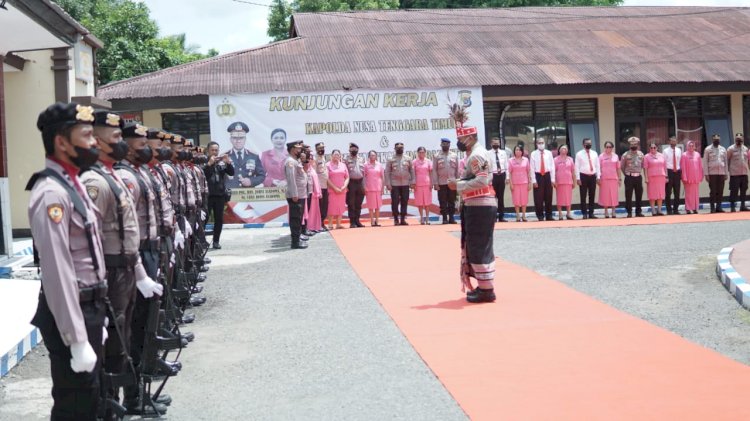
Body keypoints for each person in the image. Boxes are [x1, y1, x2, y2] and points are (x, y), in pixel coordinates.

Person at [27, 103, 108, 420]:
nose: (94, 143)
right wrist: (76, 339)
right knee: (75, 406)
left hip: (89, 308)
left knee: (91, 400)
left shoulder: (73, 184)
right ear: (62, 142)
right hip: (71, 313)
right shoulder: (51, 193)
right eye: (87, 135)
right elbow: (57, 272)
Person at [447, 104, 496, 303]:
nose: (459, 142)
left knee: (478, 245)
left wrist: (457, 185)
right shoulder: (475, 154)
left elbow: (482, 180)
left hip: (480, 205)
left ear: (469, 138)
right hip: (476, 204)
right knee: (476, 244)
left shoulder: (477, 155)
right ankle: (484, 286)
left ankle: (486, 289)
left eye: (460, 139)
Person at [204, 141, 235, 249]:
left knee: (219, 219)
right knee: (205, 218)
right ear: (208, 151)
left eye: (216, 150)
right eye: (212, 150)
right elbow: (204, 175)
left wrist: (228, 163)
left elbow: (231, 173)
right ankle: (202, 241)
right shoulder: (204, 161)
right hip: (208, 195)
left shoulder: (221, 162)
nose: (214, 152)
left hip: (220, 195)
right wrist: (209, 164)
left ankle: (216, 241)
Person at [224, 121, 265, 188]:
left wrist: (251, 181)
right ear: (230, 139)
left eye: (241, 138)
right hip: (231, 194)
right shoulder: (224, 156)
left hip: (248, 194)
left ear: (245, 139)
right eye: (235, 138)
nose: (238, 141)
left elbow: (261, 175)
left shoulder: (254, 156)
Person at [284, 141, 307, 249]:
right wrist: (294, 194)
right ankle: (295, 242)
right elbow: (291, 179)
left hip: (300, 194)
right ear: (292, 149)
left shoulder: (294, 160)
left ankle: (297, 239)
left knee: (298, 218)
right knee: (295, 219)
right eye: (298, 148)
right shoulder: (290, 162)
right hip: (295, 195)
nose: (300, 150)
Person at [385, 142, 414, 225]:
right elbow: (387, 172)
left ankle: (403, 219)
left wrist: (413, 181)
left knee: (405, 201)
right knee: (395, 202)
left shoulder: (408, 158)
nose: (400, 149)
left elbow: (411, 170)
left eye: (401, 147)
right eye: (398, 147)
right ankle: (396, 219)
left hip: (405, 183)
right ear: (395, 149)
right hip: (394, 184)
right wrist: (388, 183)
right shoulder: (391, 159)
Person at [432, 138, 459, 224]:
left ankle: (451, 218)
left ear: (449, 145)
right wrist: (435, 183)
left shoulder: (454, 155)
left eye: (447, 144)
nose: (445, 146)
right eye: (443, 144)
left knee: (452, 200)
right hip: (441, 182)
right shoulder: (437, 156)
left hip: (452, 182)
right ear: (441, 145)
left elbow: (457, 170)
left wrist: (458, 182)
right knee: (442, 201)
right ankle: (444, 218)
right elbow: (434, 170)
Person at [530, 137, 555, 221]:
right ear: (537, 144)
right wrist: (533, 180)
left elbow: (552, 167)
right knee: (538, 198)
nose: (541, 144)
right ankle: (540, 215)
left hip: (547, 175)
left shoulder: (549, 153)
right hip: (538, 176)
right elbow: (532, 168)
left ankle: (549, 215)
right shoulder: (533, 154)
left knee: (548, 196)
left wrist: (553, 179)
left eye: (542, 142)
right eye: (539, 143)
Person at [575, 137, 599, 219]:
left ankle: (591, 213)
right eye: (587, 144)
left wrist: (598, 176)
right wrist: (578, 178)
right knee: (583, 195)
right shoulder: (579, 154)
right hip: (583, 176)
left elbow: (597, 166)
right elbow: (577, 167)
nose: (589, 145)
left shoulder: (595, 153)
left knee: (592, 195)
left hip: (592, 176)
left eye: (590, 143)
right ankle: (584, 213)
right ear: (583, 145)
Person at [703, 134, 728, 213]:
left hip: (721, 173)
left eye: (718, 139)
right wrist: (706, 174)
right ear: (712, 140)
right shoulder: (708, 149)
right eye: (715, 139)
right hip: (712, 174)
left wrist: (726, 173)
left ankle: (719, 207)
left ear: (720, 139)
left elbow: (726, 162)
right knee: (713, 191)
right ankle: (712, 208)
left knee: (720, 191)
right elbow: (705, 162)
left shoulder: (723, 149)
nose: (716, 140)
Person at [621, 136, 645, 217]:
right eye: (632, 144)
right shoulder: (625, 155)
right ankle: (629, 212)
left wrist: (637, 172)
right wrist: (627, 174)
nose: (634, 146)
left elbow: (642, 165)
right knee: (628, 195)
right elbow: (622, 167)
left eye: (635, 144)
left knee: (639, 195)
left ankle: (638, 212)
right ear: (629, 145)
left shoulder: (641, 154)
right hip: (629, 177)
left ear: (637, 144)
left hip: (638, 177)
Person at [344, 142, 366, 228]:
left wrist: (364, 185)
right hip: (351, 183)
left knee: (358, 203)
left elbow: (364, 173)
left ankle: (357, 220)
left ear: (358, 150)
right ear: (349, 150)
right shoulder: (346, 160)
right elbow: (344, 174)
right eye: (352, 149)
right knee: (351, 203)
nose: (354, 150)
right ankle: (352, 222)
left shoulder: (361, 159)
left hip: (360, 182)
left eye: (355, 149)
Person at [597, 141, 621, 218]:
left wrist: (619, 178)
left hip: (613, 179)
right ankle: (606, 211)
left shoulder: (616, 156)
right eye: (607, 147)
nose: (608, 148)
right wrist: (598, 178)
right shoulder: (601, 156)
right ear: (605, 148)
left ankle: (613, 211)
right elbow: (598, 168)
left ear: (612, 148)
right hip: (604, 178)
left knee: (613, 195)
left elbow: (618, 168)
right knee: (605, 195)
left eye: (610, 147)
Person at [508, 145, 532, 222]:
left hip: (524, 182)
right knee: (516, 200)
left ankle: (524, 216)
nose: (517, 151)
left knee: (524, 200)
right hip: (515, 183)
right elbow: (509, 173)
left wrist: (529, 182)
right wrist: (510, 183)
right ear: (514, 151)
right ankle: (518, 216)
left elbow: (528, 172)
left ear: (522, 151)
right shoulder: (511, 160)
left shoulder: (526, 160)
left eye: (519, 150)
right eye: (516, 150)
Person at [326, 149, 349, 229]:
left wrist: (344, 186)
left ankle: (338, 224)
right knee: (331, 207)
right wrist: (335, 188)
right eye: (335, 154)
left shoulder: (343, 165)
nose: (336, 156)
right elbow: (327, 178)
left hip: (342, 190)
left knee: (340, 206)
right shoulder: (328, 165)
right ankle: (330, 224)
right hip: (332, 190)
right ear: (331, 156)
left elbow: (347, 177)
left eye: (338, 155)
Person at [727, 133, 748, 212]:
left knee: (744, 190)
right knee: (734, 191)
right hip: (734, 174)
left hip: (744, 173)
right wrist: (728, 171)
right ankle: (732, 207)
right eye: (737, 139)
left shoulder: (745, 149)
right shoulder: (730, 149)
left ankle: (742, 206)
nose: (739, 140)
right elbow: (727, 160)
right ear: (735, 139)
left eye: (740, 139)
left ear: (742, 139)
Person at [643, 142, 667, 216]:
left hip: (661, 177)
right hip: (651, 178)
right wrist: (646, 178)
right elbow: (645, 168)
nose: (653, 149)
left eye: (654, 147)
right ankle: (653, 210)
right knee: (652, 194)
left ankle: (659, 210)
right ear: (649, 148)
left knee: (660, 194)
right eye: (651, 148)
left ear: (657, 148)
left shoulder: (662, 156)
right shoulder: (646, 156)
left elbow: (665, 167)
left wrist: (666, 176)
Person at [680, 140, 704, 214]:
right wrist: (684, 177)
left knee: (695, 194)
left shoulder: (697, 154)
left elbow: (700, 166)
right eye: (689, 146)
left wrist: (701, 176)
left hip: (696, 177)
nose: (691, 147)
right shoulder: (684, 155)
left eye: (692, 146)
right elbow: (683, 167)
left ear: (694, 146)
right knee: (689, 194)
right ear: (687, 146)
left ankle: (695, 208)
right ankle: (688, 208)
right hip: (688, 178)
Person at [489, 137, 509, 222]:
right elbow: (487, 166)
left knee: (501, 197)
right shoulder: (488, 153)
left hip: (501, 175)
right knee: (492, 198)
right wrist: (489, 179)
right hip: (493, 176)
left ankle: (501, 216)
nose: (496, 145)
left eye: (497, 143)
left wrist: (507, 177)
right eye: (494, 143)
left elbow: (506, 165)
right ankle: (493, 216)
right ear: (491, 144)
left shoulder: (503, 153)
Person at [412, 146, 433, 224]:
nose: (421, 154)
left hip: (427, 183)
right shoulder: (414, 162)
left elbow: (431, 173)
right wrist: (413, 183)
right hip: (418, 184)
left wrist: (432, 183)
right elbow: (413, 174)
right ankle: (421, 218)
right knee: (420, 202)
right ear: (417, 153)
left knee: (427, 203)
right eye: (420, 152)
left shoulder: (428, 161)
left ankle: (427, 219)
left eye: (423, 152)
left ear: (425, 153)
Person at [554, 145, 576, 220]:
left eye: (565, 148)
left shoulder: (570, 159)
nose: (564, 150)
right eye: (562, 148)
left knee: (568, 198)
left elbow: (573, 171)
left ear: (567, 151)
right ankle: (560, 214)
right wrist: (554, 181)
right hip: (559, 182)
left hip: (568, 181)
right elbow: (554, 171)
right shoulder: (555, 159)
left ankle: (568, 213)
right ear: (559, 150)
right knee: (559, 198)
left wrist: (574, 181)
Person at [364, 150, 384, 226]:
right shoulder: (366, 165)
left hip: (378, 188)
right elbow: (363, 177)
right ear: (369, 156)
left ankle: (377, 221)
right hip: (369, 188)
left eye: (374, 155)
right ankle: (372, 221)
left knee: (378, 206)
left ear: (376, 156)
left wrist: (382, 188)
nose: (372, 157)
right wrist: (364, 186)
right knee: (371, 206)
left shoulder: (379, 165)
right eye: (371, 155)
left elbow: (382, 177)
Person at [663, 136, 683, 214]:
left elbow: (680, 162)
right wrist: (666, 175)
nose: (673, 142)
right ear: (669, 142)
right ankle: (669, 210)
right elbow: (664, 164)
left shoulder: (679, 150)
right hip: (669, 172)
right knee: (668, 192)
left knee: (677, 192)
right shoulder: (665, 151)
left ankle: (676, 209)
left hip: (677, 172)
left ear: (676, 142)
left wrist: (681, 173)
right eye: (672, 141)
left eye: (675, 141)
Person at [314, 142, 329, 230]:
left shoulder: (323, 157)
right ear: (316, 149)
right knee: (319, 206)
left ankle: (322, 223)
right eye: (319, 148)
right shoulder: (315, 159)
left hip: (325, 186)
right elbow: (314, 173)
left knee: (325, 206)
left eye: (322, 148)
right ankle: (319, 224)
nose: (321, 149)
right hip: (319, 186)